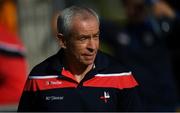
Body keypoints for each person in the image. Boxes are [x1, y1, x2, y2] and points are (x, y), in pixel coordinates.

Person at [18, 6, 142, 112]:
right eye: (83, 39)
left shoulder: (121, 75)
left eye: (96, 36)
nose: (92, 47)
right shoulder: (39, 77)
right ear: (63, 41)